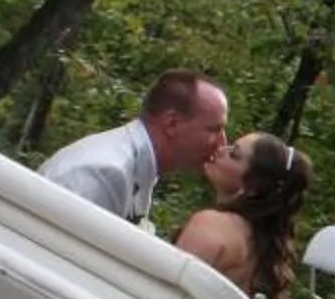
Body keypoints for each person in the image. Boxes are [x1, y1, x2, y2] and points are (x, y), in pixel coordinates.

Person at [37, 71, 229, 225]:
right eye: (214, 129)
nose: (222, 143)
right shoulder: (103, 174)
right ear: (172, 124)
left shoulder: (136, 165)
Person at [175, 132, 310, 299]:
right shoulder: (265, 248)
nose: (221, 150)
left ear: (254, 186)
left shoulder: (212, 225)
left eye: (234, 155)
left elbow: (168, 290)